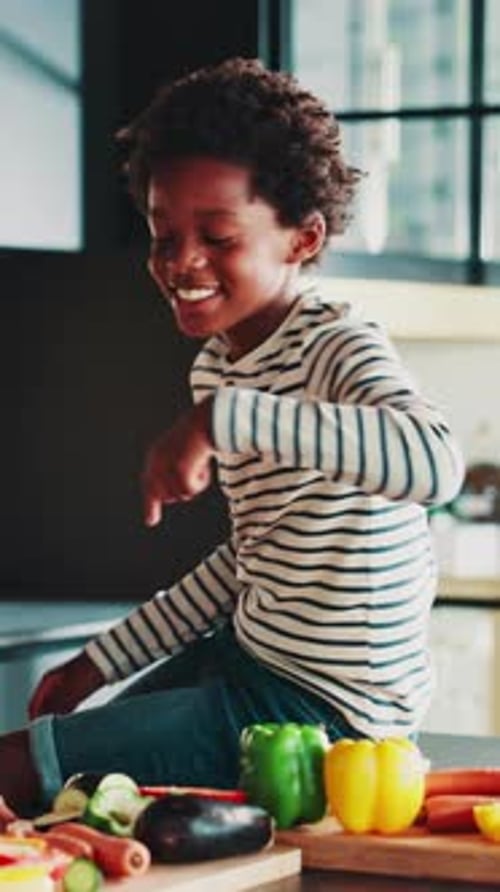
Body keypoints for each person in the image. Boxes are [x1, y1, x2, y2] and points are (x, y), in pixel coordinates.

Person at [1, 57, 463, 812]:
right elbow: (250, 561)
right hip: (247, 662)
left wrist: (223, 420)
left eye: (217, 236)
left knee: (22, 772)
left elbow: (434, 464)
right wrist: (101, 661)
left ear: (304, 239)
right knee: (67, 776)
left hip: (327, 718)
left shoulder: (337, 347)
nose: (182, 262)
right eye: (163, 236)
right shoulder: (216, 368)